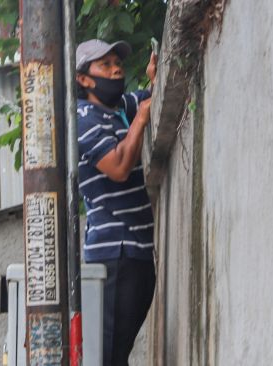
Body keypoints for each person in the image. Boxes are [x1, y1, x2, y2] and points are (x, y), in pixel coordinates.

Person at [75, 39, 157, 366]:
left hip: (135, 251)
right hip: (114, 254)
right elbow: (119, 168)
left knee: (115, 354)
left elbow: (155, 95)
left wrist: (155, 77)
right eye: (105, 65)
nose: (116, 69)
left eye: (116, 62)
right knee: (105, 357)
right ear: (84, 79)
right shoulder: (83, 119)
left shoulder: (122, 106)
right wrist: (140, 121)